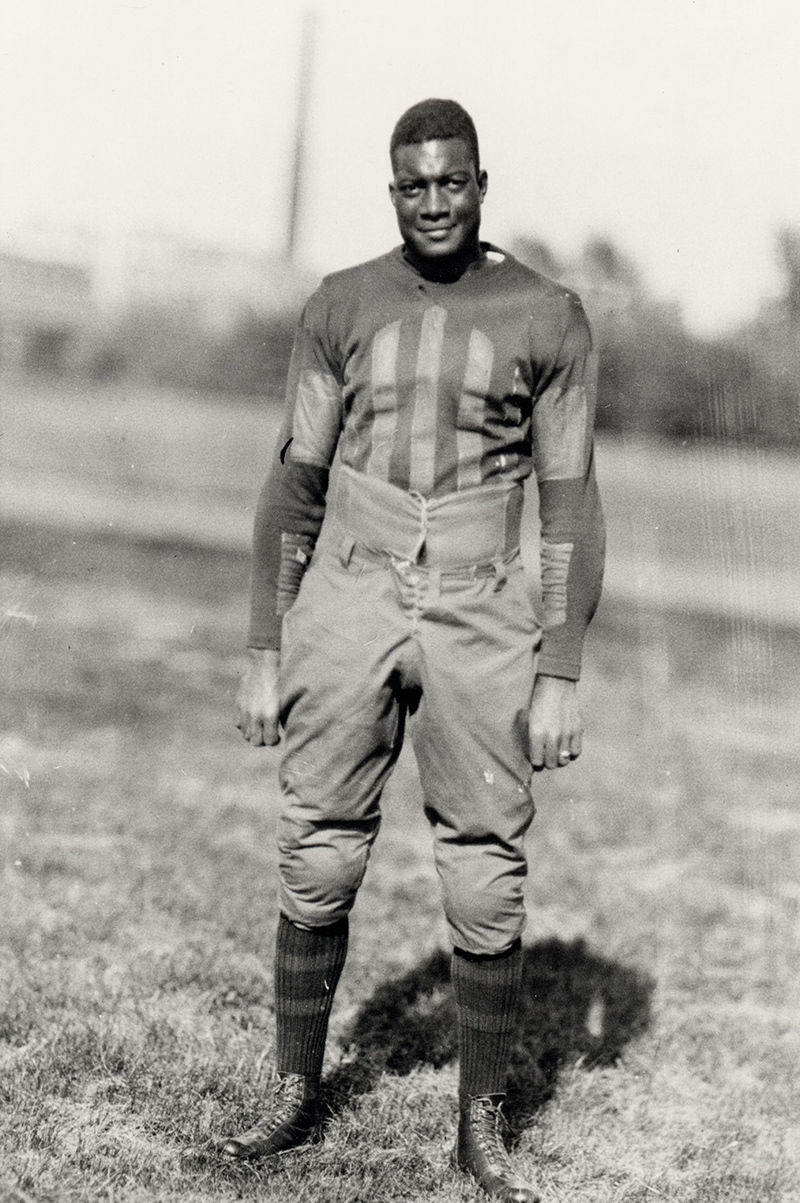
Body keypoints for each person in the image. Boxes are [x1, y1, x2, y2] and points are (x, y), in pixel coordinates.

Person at [226, 98, 604, 1203]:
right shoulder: (342, 304)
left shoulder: (545, 312)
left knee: (483, 869)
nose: (432, 202)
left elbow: (572, 501)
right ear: (390, 190)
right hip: (349, 587)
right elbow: (294, 478)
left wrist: (559, 668)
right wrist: (263, 644)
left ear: (482, 182)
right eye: (411, 185)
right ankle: (296, 1088)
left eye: (450, 182)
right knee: (318, 848)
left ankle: (478, 1126)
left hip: (480, 600)